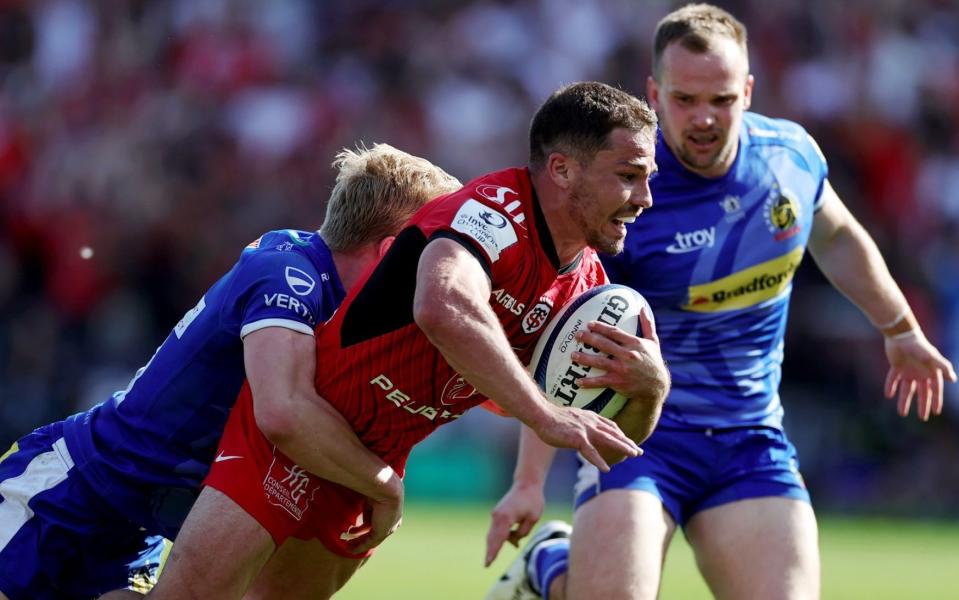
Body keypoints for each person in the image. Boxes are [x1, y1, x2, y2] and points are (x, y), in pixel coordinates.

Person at [484, 5, 958, 600]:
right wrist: (529, 481)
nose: (704, 118)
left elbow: (834, 234)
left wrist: (901, 328)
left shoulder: (790, 159)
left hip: (748, 438)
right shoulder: (627, 190)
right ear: (654, 93)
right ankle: (549, 567)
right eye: (684, 100)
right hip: (636, 436)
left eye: (722, 100)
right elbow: (564, 333)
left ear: (749, 91)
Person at [139, 81, 671, 600]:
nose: (645, 198)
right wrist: (544, 414)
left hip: (371, 465)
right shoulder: (491, 213)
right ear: (562, 169)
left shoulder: (588, 291)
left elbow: (607, 443)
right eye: (628, 176)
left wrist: (649, 389)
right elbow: (442, 306)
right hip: (302, 432)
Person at [0, 143, 463, 600]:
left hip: (132, 535)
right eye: (435, 250)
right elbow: (283, 413)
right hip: (68, 491)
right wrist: (384, 487)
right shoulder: (288, 274)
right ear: (390, 253)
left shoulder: (331, 294)